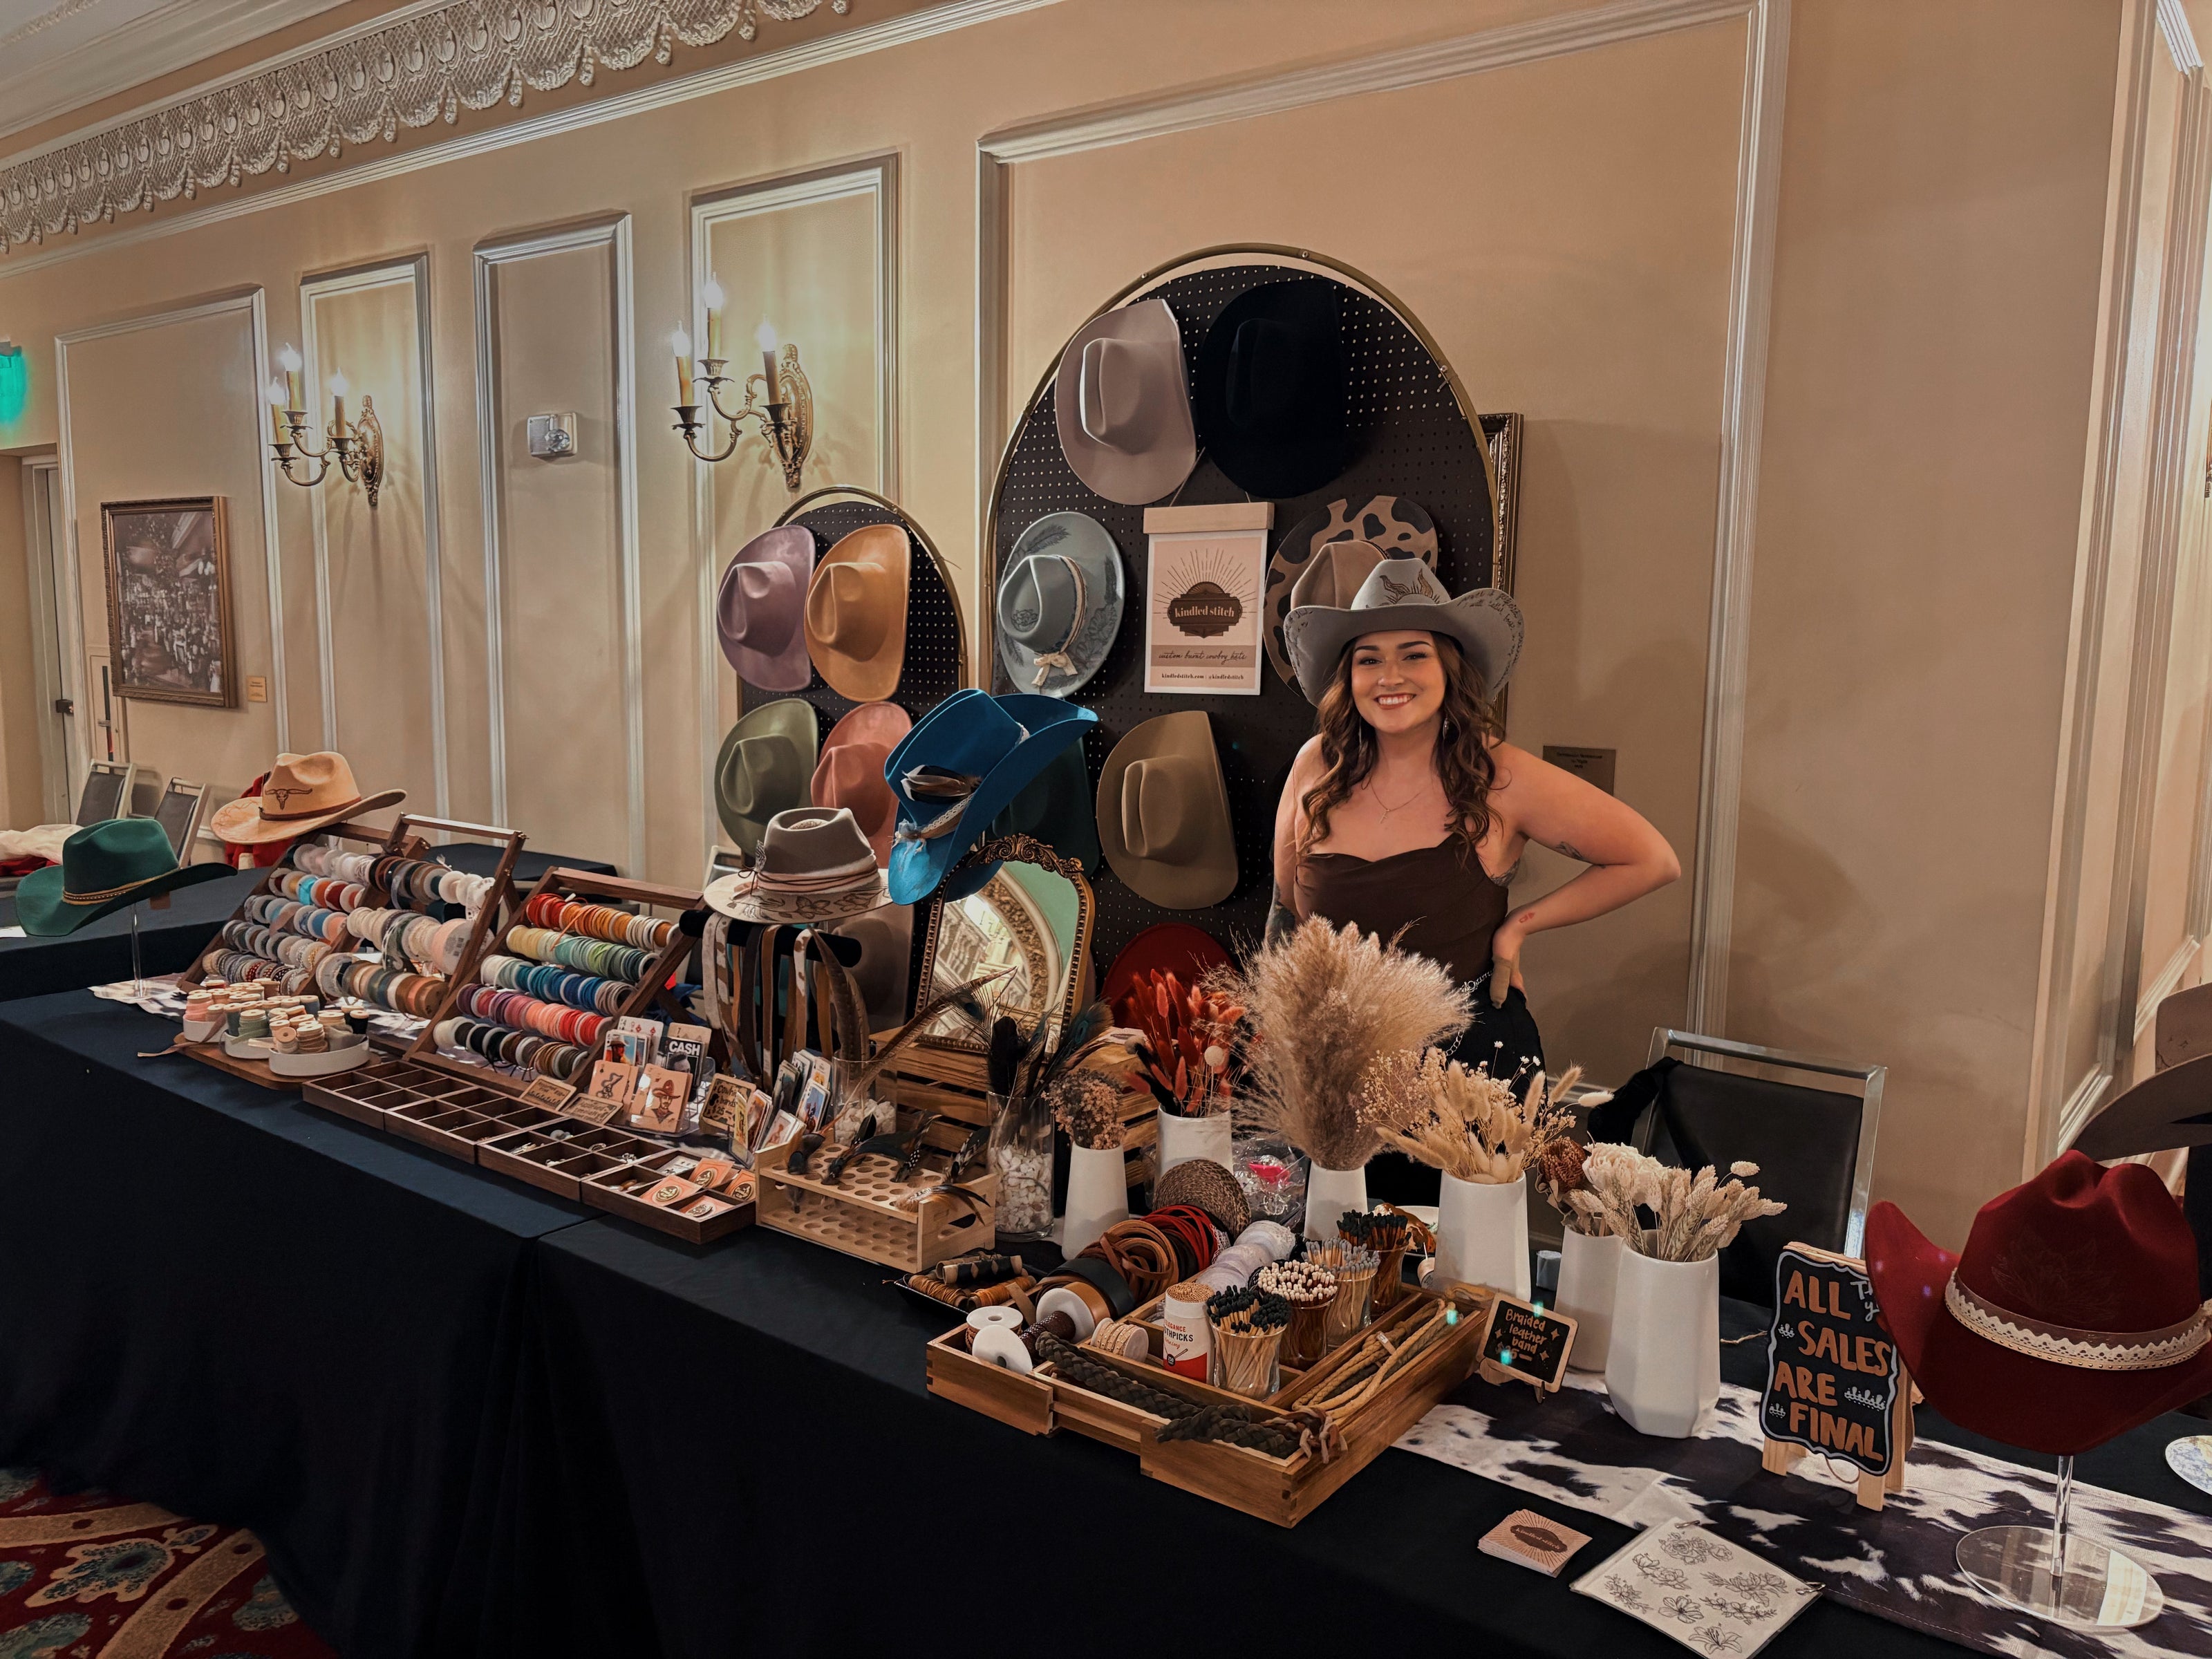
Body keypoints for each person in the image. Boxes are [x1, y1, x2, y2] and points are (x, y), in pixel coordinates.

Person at [1277, 557, 1680, 1199]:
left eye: (1414, 655)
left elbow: (1652, 858)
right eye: (1369, 659)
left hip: (1468, 1078)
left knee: (1460, 1260)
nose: (1390, 677)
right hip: (1340, 1077)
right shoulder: (1316, 767)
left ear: (1449, 668)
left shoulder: (1499, 777)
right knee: (1333, 1250)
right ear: (1348, 677)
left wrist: (1518, 927)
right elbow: (1287, 911)